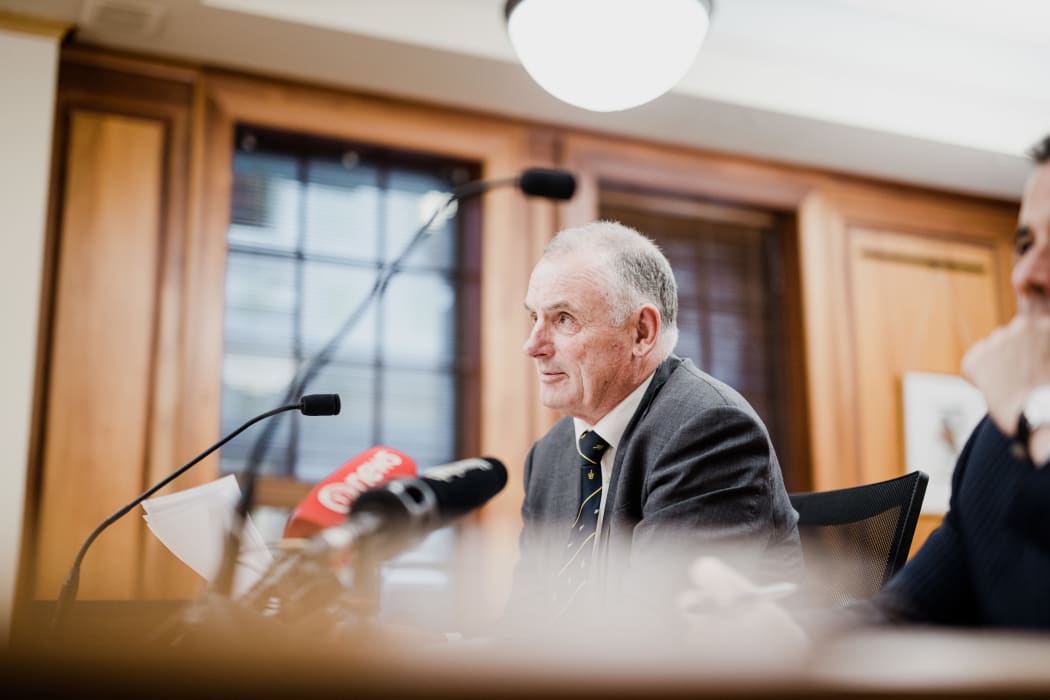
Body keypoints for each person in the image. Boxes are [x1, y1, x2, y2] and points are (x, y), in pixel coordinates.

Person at [506, 220, 801, 622]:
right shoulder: (549, 455)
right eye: (533, 318)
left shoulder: (709, 429)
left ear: (642, 332)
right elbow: (524, 622)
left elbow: (655, 635)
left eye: (563, 319)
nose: (533, 346)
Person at [866, 134, 1050, 629]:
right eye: (1026, 245)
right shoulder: (995, 440)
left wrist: (1031, 415)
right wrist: (785, 631)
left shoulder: (1020, 420)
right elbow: (903, 612)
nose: (1027, 276)